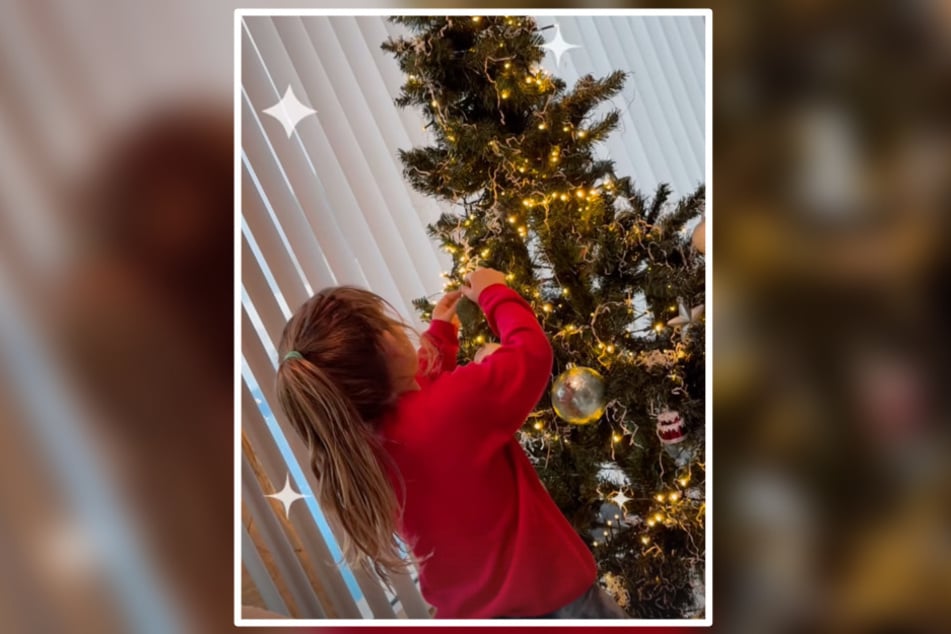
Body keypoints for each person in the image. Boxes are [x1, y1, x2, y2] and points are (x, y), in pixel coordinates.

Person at [275, 267, 628, 619]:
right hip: (556, 602)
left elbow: (412, 401)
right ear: (385, 343)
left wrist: (440, 336)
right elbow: (532, 353)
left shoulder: (358, 448)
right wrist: (495, 293)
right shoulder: (455, 405)